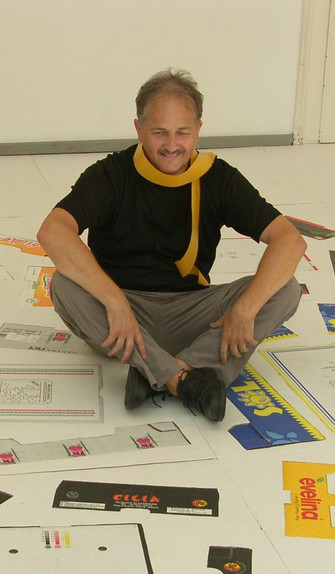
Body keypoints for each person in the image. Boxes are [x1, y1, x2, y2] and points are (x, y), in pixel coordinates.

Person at [36, 68, 305, 421]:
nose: (172, 145)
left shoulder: (218, 177)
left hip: (193, 312)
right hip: (121, 318)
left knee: (286, 288)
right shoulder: (110, 174)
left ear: (198, 130)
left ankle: (160, 373)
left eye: (183, 132)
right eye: (159, 132)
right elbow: (53, 231)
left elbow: (289, 240)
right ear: (139, 129)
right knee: (63, 284)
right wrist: (115, 302)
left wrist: (244, 309)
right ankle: (191, 379)